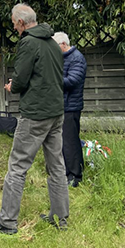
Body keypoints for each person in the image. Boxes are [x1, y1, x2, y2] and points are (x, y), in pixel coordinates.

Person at [0, 3, 69, 234]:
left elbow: (21, 81)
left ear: (22, 23)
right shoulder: (53, 43)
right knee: (56, 166)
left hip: (35, 114)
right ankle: (59, 218)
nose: (14, 27)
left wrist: (13, 86)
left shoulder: (28, 43)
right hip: (56, 112)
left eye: (14, 23)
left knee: (17, 167)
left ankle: (7, 222)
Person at [52, 31, 87, 188]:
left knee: (71, 141)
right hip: (61, 106)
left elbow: (72, 80)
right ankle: (66, 172)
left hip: (71, 107)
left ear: (63, 45)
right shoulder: (62, 58)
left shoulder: (77, 58)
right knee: (63, 141)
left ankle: (75, 176)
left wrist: (52, 80)